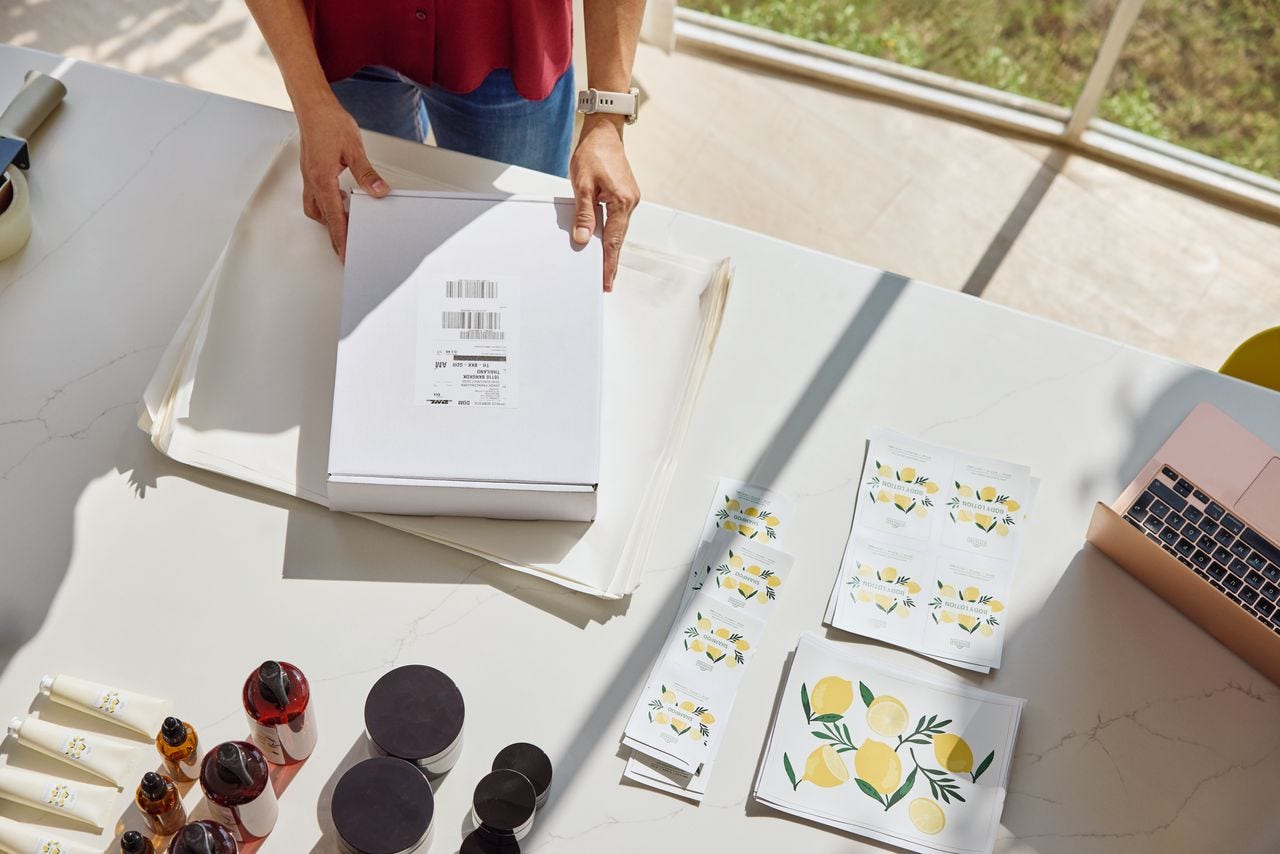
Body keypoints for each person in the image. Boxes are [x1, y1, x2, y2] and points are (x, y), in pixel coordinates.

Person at [245, 1, 645, 290]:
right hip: (347, 36)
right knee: (378, 237)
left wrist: (607, 118)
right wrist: (310, 99)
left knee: (513, 258)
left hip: (505, 46)